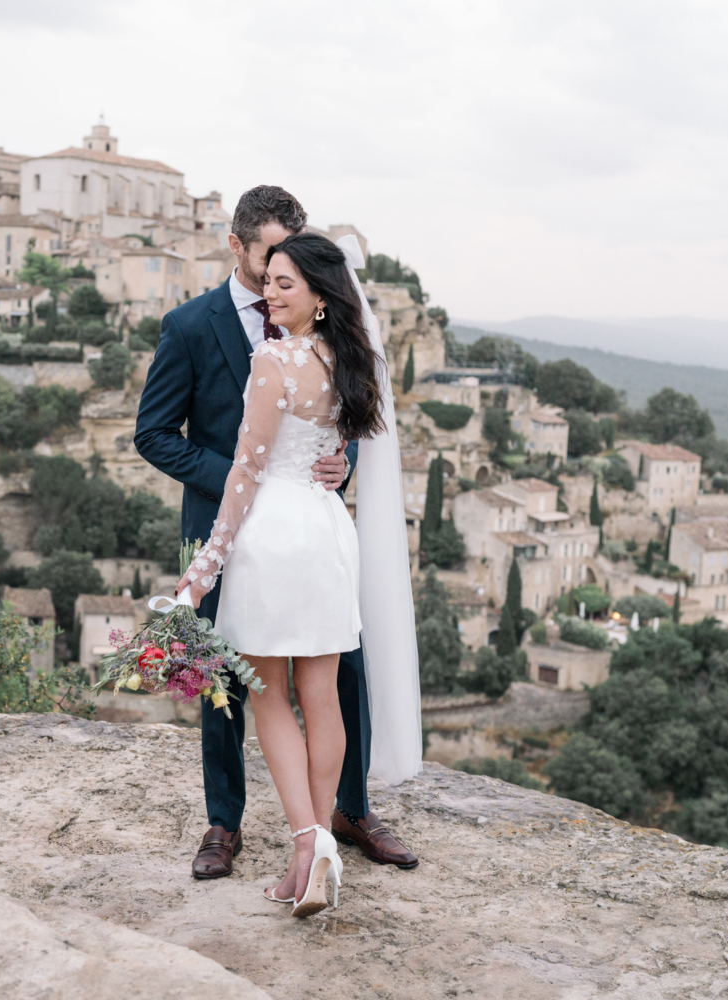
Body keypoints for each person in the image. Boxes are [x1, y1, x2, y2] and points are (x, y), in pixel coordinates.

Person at [134, 187, 418, 900]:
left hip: (276, 526)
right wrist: (241, 478)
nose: (270, 280)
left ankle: (336, 823)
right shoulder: (190, 325)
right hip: (260, 516)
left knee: (308, 685)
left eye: (285, 268)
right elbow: (155, 434)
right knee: (231, 685)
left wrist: (333, 464)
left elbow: (344, 440)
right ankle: (224, 825)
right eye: (266, 261)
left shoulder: (298, 350)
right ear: (237, 247)